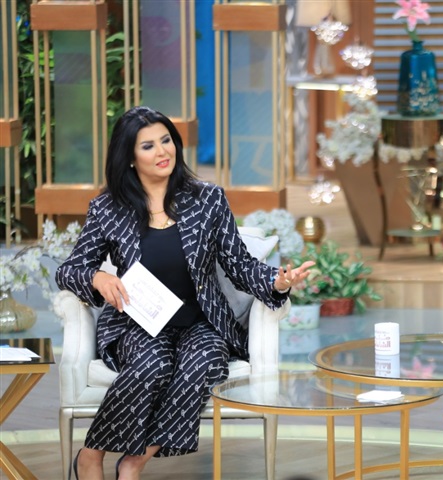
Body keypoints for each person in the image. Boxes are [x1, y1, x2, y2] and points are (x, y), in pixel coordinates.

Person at [56, 106, 314, 480]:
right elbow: (69, 270)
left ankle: (133, 462)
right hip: (138, 323)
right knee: (152, 365)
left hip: (201, 322)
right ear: (130, 157)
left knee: (204, 362)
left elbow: (240, 265)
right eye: (148, 146)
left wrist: (278, 281)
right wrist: (97, 277)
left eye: (166, 141)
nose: (163, 151)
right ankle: (90, 455)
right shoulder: (108, 208)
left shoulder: (208, 199)